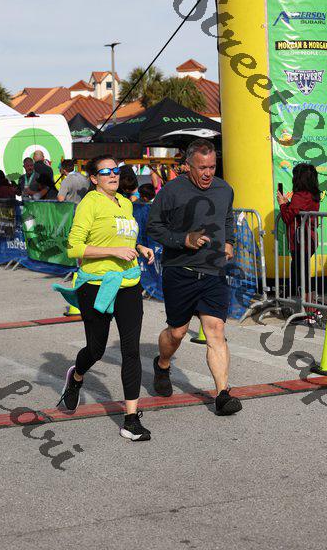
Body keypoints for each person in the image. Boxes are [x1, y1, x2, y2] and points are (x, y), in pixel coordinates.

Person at [54, 154, 155, 441]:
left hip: (128, 282)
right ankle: (76, 376)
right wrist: (113, 252)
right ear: (94, 178)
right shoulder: (90, 203)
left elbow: (122, 238)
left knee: (131, 350)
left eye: (116, 170)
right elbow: (74, 248)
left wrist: (139, 247)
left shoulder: (125, 202)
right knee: (96, 349)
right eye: (106, 171)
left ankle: (131, 419)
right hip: (96, 285)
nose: (113, 175)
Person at [146, 139, 242, 416]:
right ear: (188, 166)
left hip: (214, 272)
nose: (208, 173)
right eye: (202, 168)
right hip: (180, 271)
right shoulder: (171, 191)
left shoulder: (225, 189)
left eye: (212, 167)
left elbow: (227, 219)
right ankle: (162, 364)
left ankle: (222, 394)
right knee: (176, 332)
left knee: (216, 330)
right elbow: (153, 226)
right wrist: (183, 240)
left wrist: (230, 242)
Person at [277, 163, 320, 323]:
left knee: (301, 275)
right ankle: (308, 309)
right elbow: (296, 211)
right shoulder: (312, 194)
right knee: (301, 273)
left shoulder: (300, 195)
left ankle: (309, 310)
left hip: (300, 241)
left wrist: (282, 204)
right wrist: (288, 203)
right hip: (309, 239)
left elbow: (288, 217)